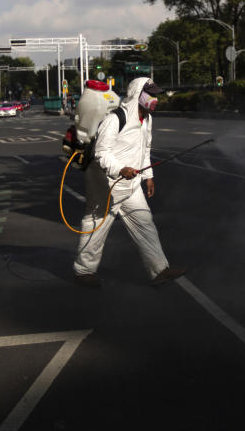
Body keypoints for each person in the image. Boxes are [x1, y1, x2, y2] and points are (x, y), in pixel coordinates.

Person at [73, 77, 186, 288]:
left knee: (145, 223)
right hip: (105, 183)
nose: (155, 99)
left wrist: (148, 176)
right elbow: (101, 152)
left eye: (156, 95)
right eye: (151, 94)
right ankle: (84, 271)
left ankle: (159, 270)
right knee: (97, 226)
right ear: (137, 95)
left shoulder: (148, 119)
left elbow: (145, 149)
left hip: (131, 184)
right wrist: (119, 169)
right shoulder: (116, 119)